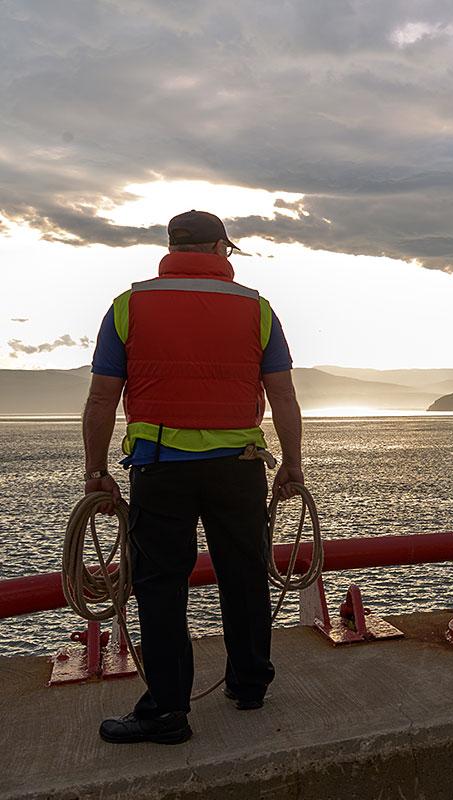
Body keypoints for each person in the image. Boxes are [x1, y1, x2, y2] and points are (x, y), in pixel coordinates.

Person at [82, 210, 304, 744]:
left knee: (160, 586)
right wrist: (292, 466)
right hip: (239, 469)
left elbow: (101, 400)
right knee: (245, 575)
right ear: (221, 248)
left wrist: (95, 471)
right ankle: (249, 685)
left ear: (171, 247)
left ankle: (166, 710)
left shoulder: (128, 305)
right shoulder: (257, 308)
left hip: (160, 470)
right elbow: (284, 397)